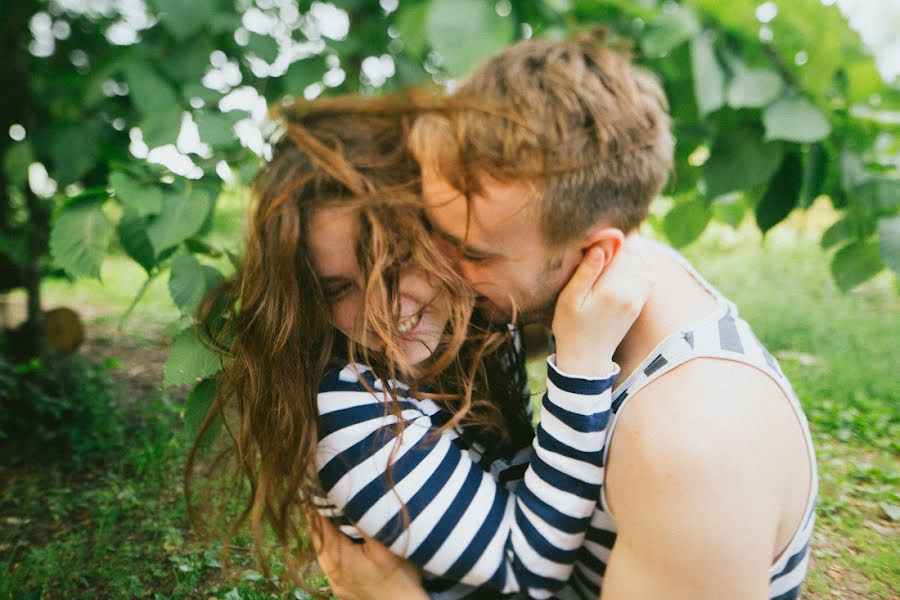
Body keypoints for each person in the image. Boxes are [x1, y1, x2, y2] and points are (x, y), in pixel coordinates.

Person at [314, 32, 818, 600]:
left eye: (473, 252)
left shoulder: (685, 455)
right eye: (430, 231)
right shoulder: (629, 278)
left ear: (594, 252)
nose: (440, 271)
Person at [186, 97, 654, 599]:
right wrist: (582, 366)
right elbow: (528, 565)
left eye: (399, 261)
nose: (381, 311)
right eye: (337, 289)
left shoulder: (474, 324)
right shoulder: (347, 413)